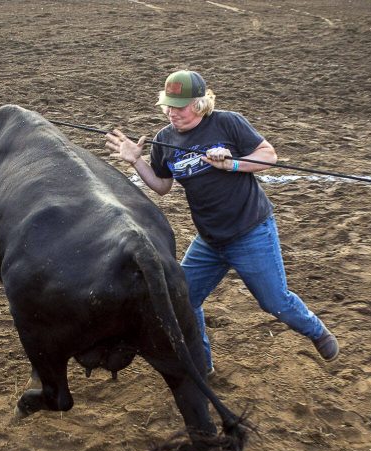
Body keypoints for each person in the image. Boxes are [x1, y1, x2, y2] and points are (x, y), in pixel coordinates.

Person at [105, 70, 339, 375]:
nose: (172, 112)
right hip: (210, 240)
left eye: (180, 105)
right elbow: (162, 186)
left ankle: (316, 331)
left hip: (250, 230)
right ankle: (202, 367)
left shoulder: (228, 122)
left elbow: (268, 155)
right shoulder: (165, 140)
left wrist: (234, 164)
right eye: (168, 105)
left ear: (200, 104)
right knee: (185, 298)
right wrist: (136, 160)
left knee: (274, 302)